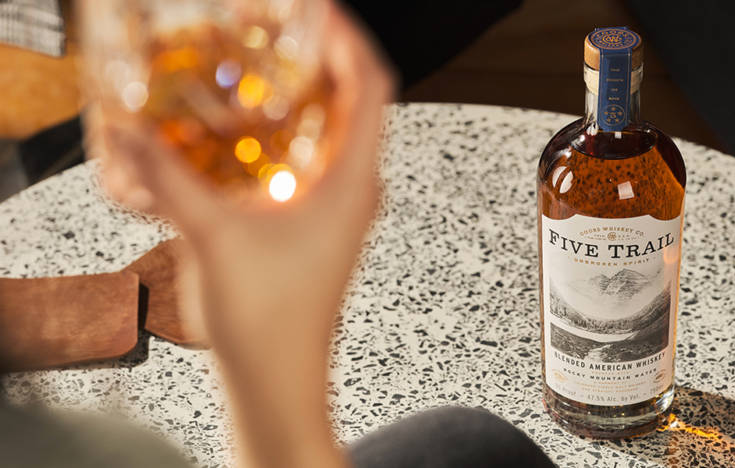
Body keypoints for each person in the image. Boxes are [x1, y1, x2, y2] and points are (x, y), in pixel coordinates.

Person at [0, 2, 555, 467]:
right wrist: (270, 353)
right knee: (474, 445)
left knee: (469, 443)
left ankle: (52, 150)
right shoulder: (107, 451)